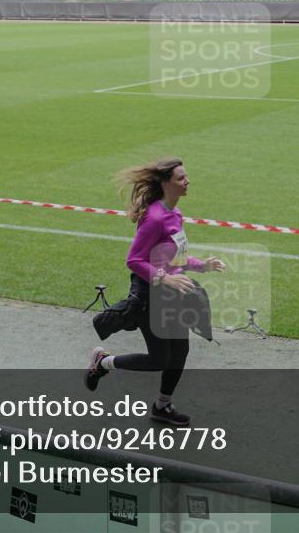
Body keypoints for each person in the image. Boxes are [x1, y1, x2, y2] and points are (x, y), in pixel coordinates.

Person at [85, 157, 225, 426]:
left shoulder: (175, 214)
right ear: (165, 184)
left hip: (175, 295)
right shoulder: (155, 218)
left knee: (180, 353)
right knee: (159, 359)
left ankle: (162, 406)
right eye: (181, 178)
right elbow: (134, 260)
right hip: (151, 297)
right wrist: (165, 279)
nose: (187, 181)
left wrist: (202, 266)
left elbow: (176, 257)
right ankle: (102, 362)